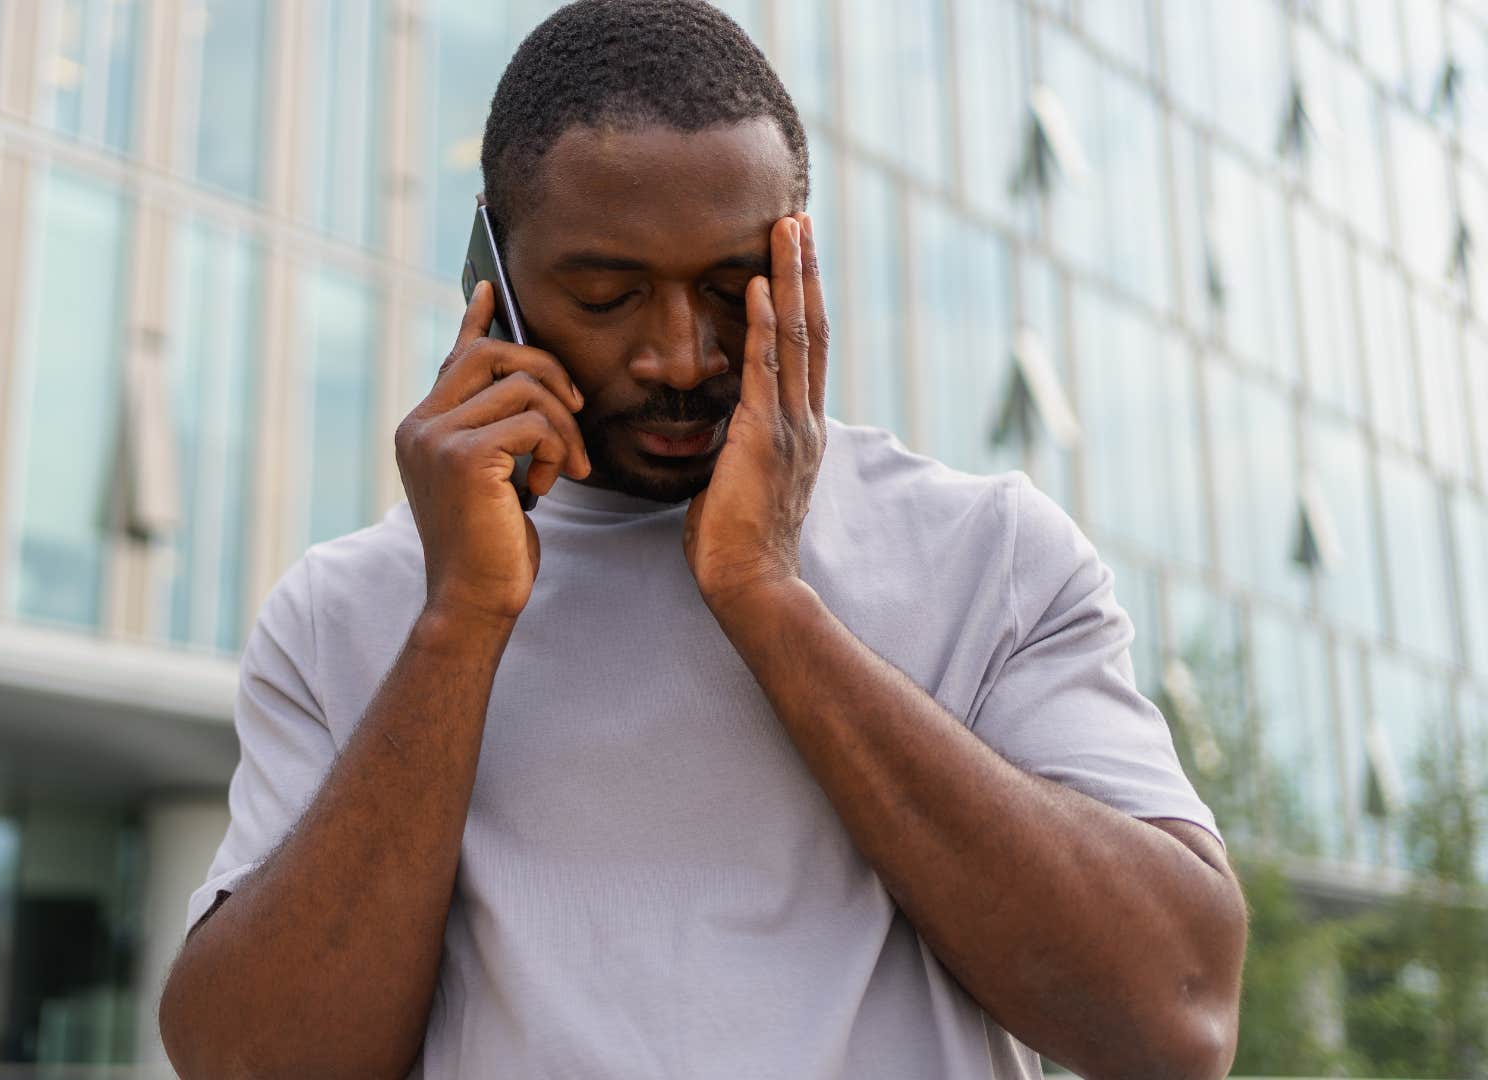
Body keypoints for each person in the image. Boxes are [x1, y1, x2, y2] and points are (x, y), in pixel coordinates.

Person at [158, 1, 1247, 1076]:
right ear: (491, 273)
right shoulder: (347, 608)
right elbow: (249, 1062)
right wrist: (458, 622)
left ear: (800, 260)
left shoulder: (986, 556)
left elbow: (1179, 1016)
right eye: (607, 294)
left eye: (733, 289)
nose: (680, 355)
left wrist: (764, 592)